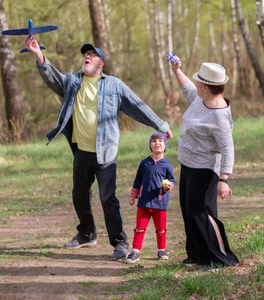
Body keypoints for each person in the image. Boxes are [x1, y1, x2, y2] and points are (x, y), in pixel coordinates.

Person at [24, 36, 173, 261]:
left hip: (106, 153)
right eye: (85, 54)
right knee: (79, 194)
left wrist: (160, 124)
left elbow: (137, 105)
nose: (87, 56)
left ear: (100, 64)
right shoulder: (73, 81)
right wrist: (38, 55)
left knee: (107, 198)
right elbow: (53, 77)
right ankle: (86, 233)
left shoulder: (114, 84)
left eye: (92, 55)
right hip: (81, 150)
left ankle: (120, 243)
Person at [169, 56, 239, 268]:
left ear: (207, 88)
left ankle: (218, 257)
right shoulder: (202, 99)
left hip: (206, 169)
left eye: (199, 82)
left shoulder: (218, 116)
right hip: (189, 164)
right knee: (188, 210)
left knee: (201, 213)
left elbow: (228, 148)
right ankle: (197, 255)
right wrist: (177, 70)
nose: (196, 84)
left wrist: (224, 179)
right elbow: (189, 90)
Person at [126, 132, 175, 263]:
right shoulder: (145, 163)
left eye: (160, 141)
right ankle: (135, 251)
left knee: (161, 228)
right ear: (150, 145)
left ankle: (161, 250)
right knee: (140, 227)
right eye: (154, 141)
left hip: (160, 202)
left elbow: (172, 180)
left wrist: (168, 186)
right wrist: (133, 196)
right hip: (143, 202)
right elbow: (137, 181)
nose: (157, 143)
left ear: (165, 146)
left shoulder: (167, 164)